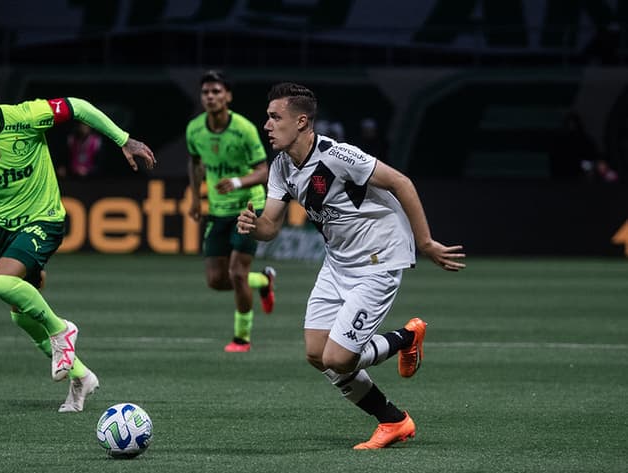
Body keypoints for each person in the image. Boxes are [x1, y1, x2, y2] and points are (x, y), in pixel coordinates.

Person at [237, 82, 465, 449]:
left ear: (301, 121)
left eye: (274, 117)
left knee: (339, 359)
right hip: (338, 263)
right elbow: (270, 227)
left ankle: (407, 337)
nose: (266, 124)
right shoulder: (280, 166)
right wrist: (253, 227)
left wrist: (425, 243)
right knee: (316, 354)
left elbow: (401, 183)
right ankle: (394, 421)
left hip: (379, 259)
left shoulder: (338, 155)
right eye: (267, 116)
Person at [0, 66, 156, 412]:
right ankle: (82, 376)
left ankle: (62, 331)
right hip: (5, 230)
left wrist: (122, 139)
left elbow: (78, 106)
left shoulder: (27, 116)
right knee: (20, 315)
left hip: (44, 219)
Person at [186, 69, 276, 353]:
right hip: (217, 209)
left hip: (248, 206)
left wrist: (237, 181)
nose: (210, 97)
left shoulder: (245, 129)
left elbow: (265, 171)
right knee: (216, 280)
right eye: (206, 92)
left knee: (237, 272)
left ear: (228, 96)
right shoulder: (195, 129)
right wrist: (195, 199)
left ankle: (242, 338)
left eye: (216, 91)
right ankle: (263, 280)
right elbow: (196, 163)